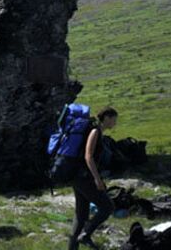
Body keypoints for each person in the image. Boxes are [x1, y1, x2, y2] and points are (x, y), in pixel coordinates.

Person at [71, 107, 118, 250]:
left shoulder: (97, 132)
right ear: (107, 118)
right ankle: (86, 234)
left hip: (78, 177)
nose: (115, 123)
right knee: (107, 207)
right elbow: (88, 156)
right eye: (114, 119)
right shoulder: (95, 131)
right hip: (84, 178)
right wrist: (97, 179)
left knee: (81, 217)